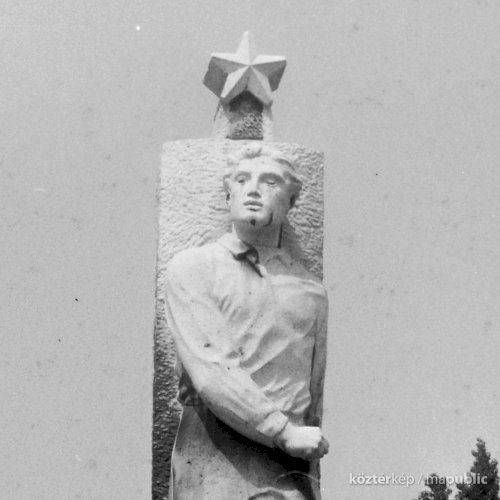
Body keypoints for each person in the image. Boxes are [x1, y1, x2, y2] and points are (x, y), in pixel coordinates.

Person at [164, 144, 329, 499]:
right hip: (216, 450)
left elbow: (312, 397)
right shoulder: (195, 267)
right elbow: (212, 368)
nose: (253, 190)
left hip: (290, 464)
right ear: (228, 196)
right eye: (242, 180)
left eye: (270, 181)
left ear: (291, 200)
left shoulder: (311, 292)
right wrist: (282, 431)